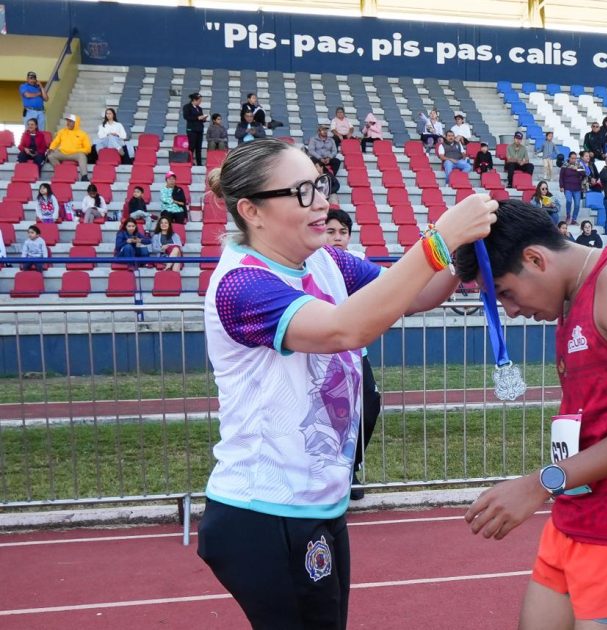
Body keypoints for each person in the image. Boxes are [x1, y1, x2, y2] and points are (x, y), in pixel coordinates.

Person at [195, 138, 496, 628]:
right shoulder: (241, 284)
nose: (320, 202)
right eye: (301, 191)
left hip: (316, 503)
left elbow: (412, 294)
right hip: (267, 511)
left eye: (320, 185)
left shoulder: (324, 261)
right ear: (252, 210)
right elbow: (345, 330)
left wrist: (464, 251)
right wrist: (438, 239)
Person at [453, 200, 607, 630]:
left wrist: (538, 484)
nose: (510, 310)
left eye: (507, 293)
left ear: (535, 259)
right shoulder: (570, 299)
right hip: (575, 518)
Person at [324, 209, 380, 500]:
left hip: (358, 351)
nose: (336, 238)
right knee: (330, 414)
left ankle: (350, 466)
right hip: (326, 352)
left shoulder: (356, 262)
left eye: (342, 233)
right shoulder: (315, 264)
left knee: (369, 406)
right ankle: (329, 474)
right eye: (330, 232)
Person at [47, 114, 91, 182]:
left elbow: (88, 149)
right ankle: (61, 174)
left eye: (70, 121)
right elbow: (56, 142)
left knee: (82, 156)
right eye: (67, 121)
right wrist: (51, 148)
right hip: (62, 153)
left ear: (75, 123)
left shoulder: (83, 134)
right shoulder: (62, 131)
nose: (68, 123)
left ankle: (84, 176)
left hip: (75, 154)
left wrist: (76, 150)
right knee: (50, 156)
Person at [182, 92, 208, 167]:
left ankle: (199, 163)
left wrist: (203, 119)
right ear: (194, 100)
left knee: (198, 147)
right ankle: (189, 161)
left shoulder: (199, 108)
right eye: (199, 100)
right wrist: (197, 118)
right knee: (192, 146)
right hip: (191, 129)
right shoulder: (187, 107)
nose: (200, 102)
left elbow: (200, 118)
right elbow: (186, 117)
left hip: (199, 129)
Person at [559, 152, 585, 224]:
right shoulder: (565, 165)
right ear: (569, 158)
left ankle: (574, 219)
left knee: (577, 204)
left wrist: (577, 169)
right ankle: (568, 216)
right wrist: (561, 186)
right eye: (572, 158)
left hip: (577, 188)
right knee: (569, 201)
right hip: (567, 187)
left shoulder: (579, 165)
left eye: (575, 158)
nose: (574, 160)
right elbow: (561, 177)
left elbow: (584, 174)